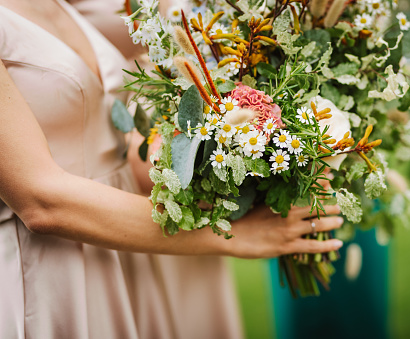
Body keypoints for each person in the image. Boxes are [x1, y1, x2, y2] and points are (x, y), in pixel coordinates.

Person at [0, 0, 344, 338]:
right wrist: (232, 234)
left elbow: (109, 138)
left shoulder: (59, 6)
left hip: (133, 245)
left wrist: (207, 161)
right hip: (59, 267)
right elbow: (39, 199)